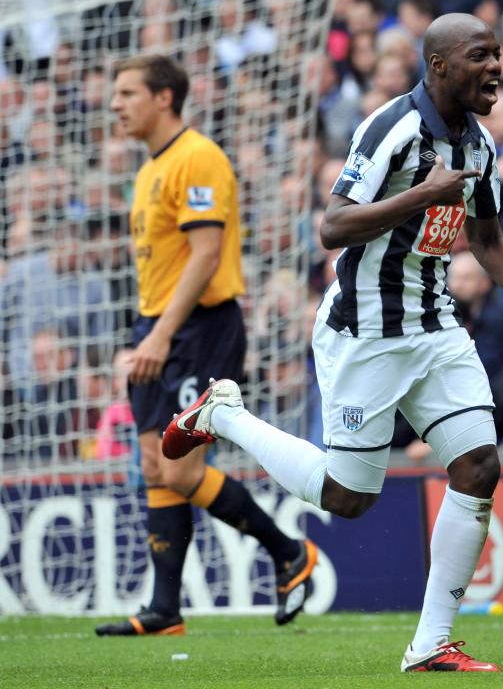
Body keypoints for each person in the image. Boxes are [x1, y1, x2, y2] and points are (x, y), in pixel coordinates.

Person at [161, 15, 503, 672]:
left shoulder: (478, 143)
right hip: (365, 332)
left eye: (499, 55)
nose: (496, 68)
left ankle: (431, 644)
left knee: (479, 466)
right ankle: (223, 414)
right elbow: (332, 225)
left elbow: (486, 241)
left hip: (435, 324)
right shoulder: (392, 128)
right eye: (481, 56)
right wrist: (421, 194)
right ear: (439, 65)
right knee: (349, 499)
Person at [95, 55, 315, 637]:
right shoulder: (148, 170)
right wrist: (149, 333)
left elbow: (207, 255)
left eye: (126, 93)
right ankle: (164, 609)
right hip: (156, 330)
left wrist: (163, 335)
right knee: (153, 466)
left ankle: (289, 550)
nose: (115, 104)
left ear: (164, 97)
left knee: (184, 470)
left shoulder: (198, 157)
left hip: (199, 329)